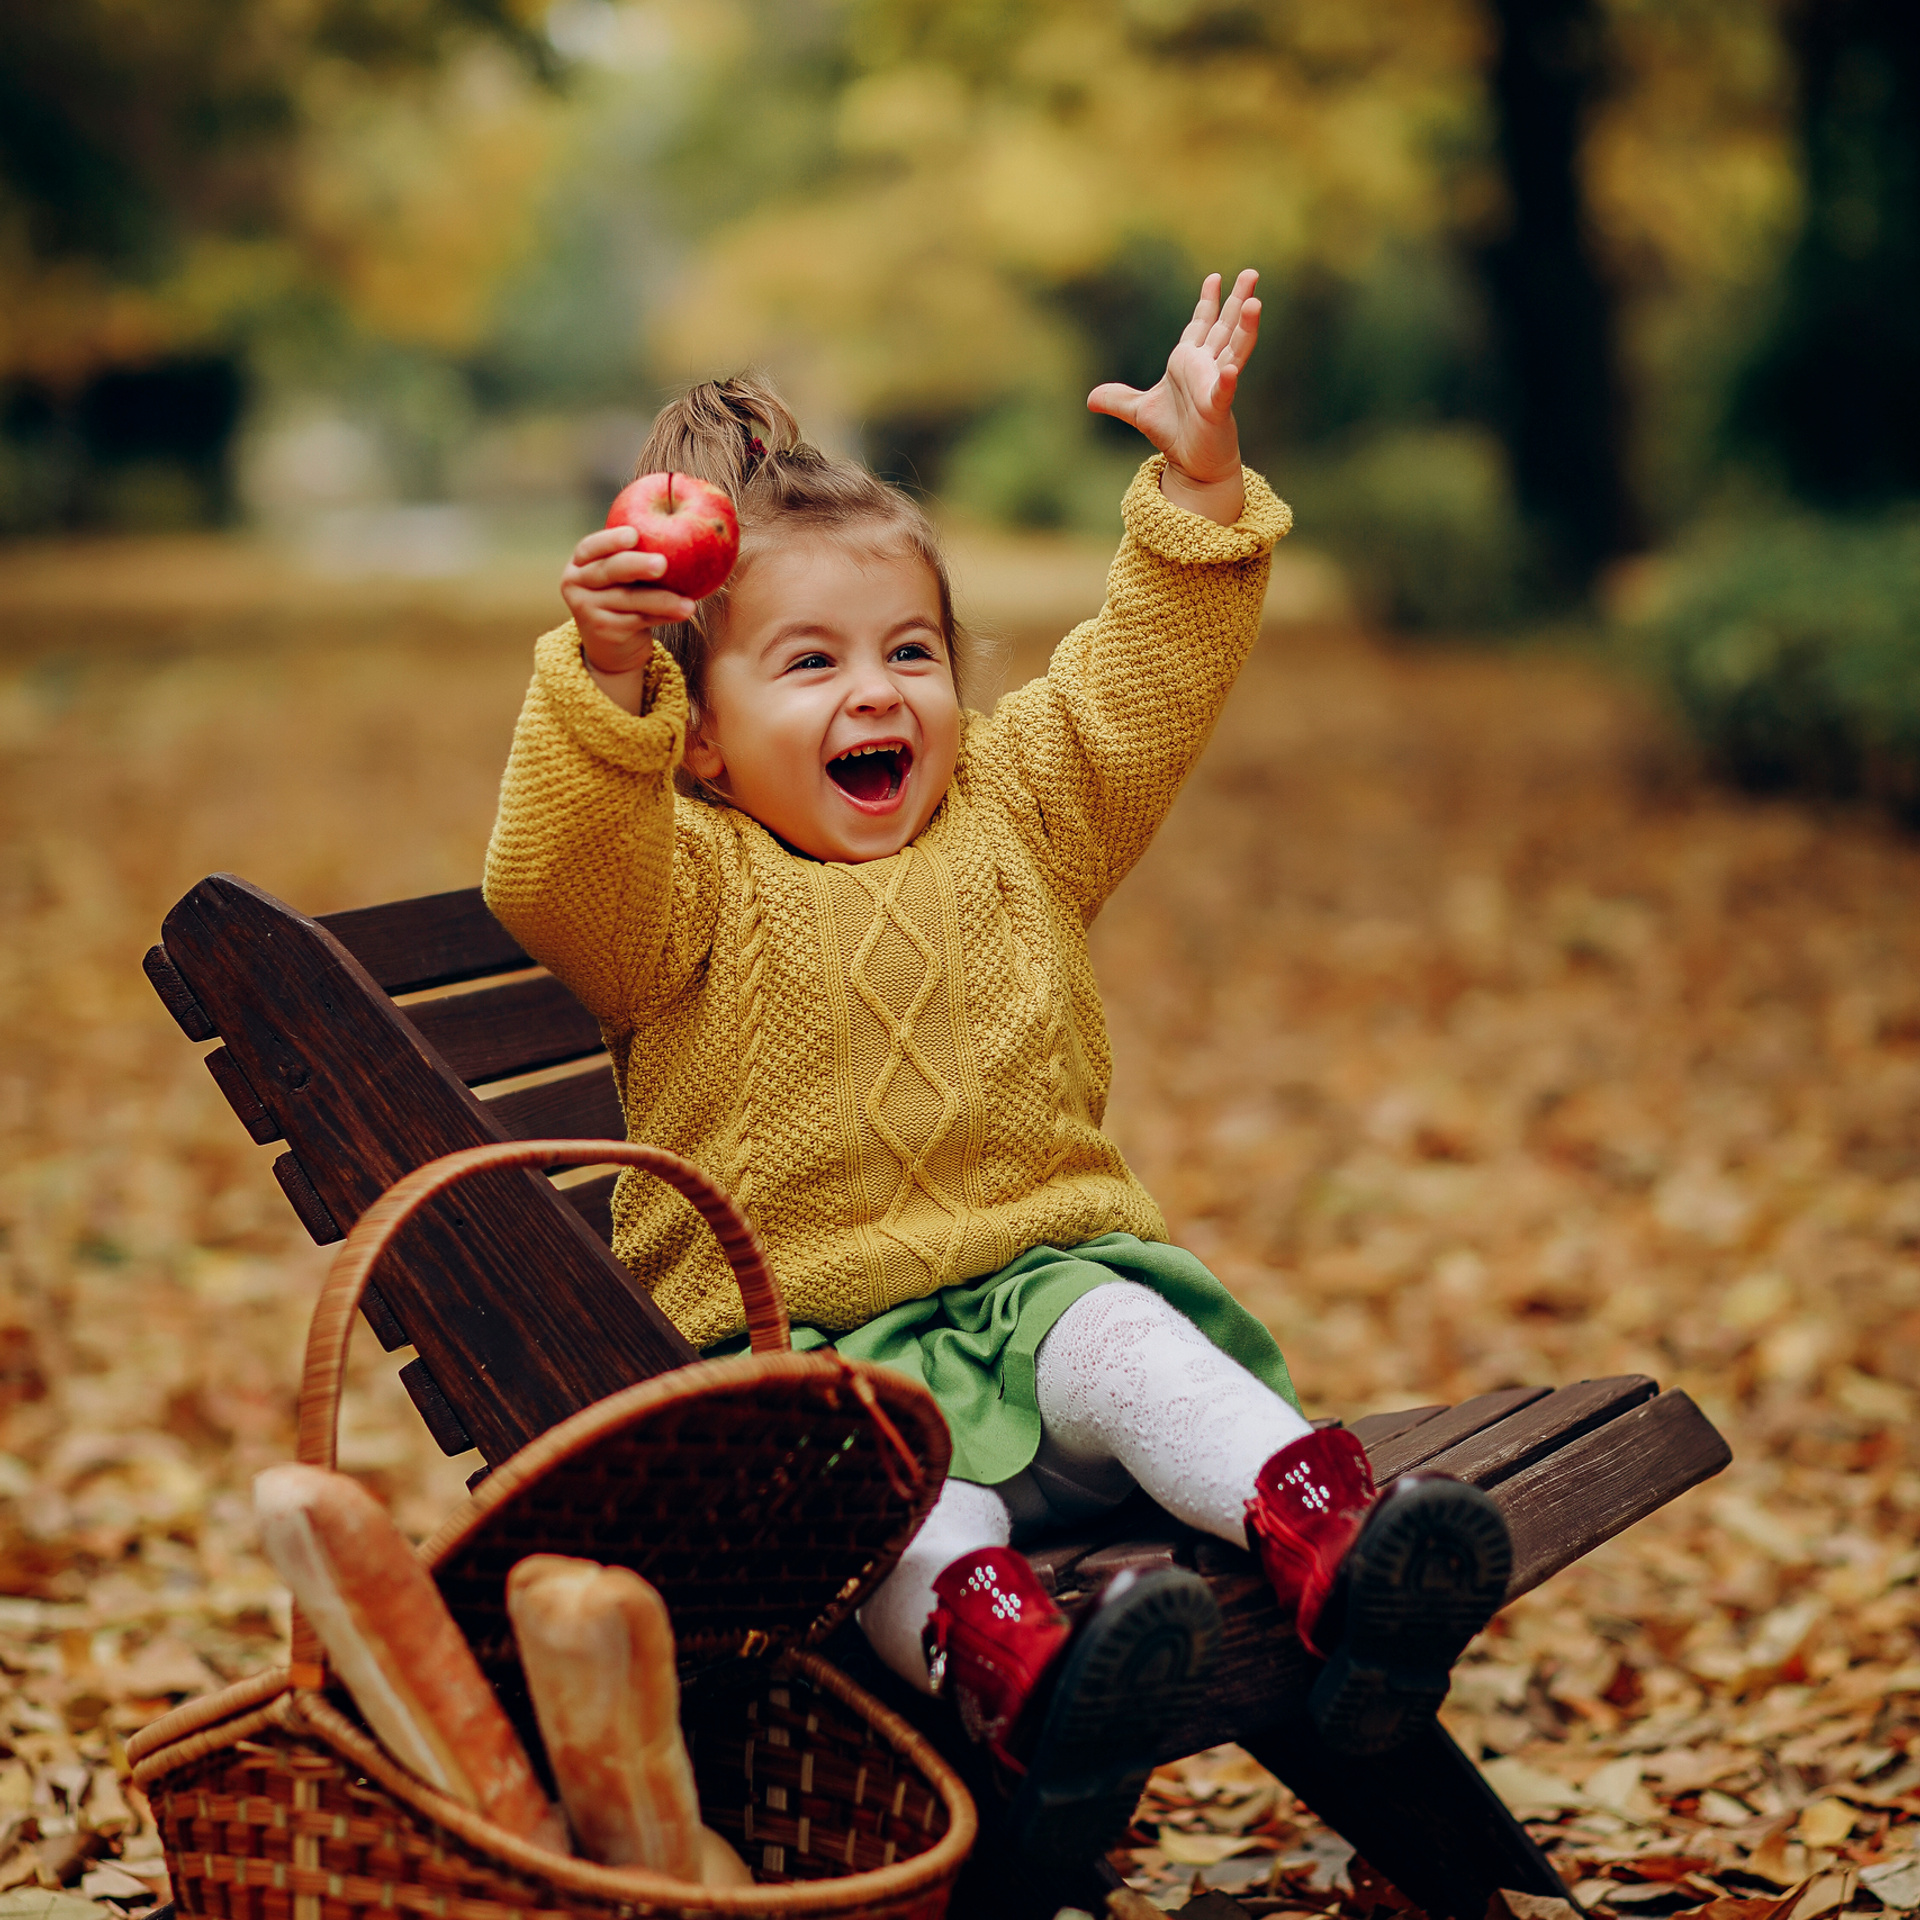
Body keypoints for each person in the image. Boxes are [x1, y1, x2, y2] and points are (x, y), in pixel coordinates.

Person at [484, 271, 1511, 1867]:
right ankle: (1024, 1667)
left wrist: (1196, 487)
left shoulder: (1018, 816)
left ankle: (1337, 1543)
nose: (877, 691)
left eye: (911, 649)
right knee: (892, 1511)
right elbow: (557, 881)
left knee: (1126, 1332)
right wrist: (609, 674)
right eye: (809, 666)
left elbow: (1141, 689)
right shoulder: (679, 889)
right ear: (701, 738)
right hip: (820, 1363)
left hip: (1037, 1306)